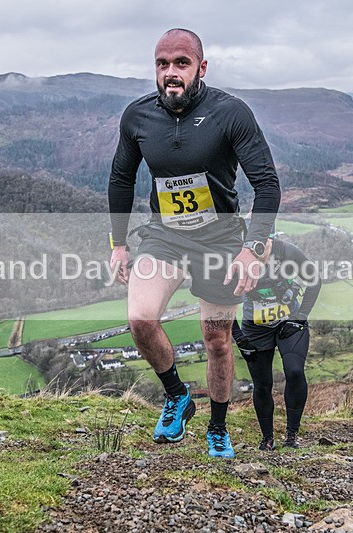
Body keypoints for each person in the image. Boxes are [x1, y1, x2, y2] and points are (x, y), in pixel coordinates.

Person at [108, 28, 280, 458]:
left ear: (201, 68)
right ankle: (177, 395)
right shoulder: (137, 117)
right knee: (141, 318)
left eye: (181, 63)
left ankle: (217, 427)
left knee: (217, 339)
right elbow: (121, 179)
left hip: (220, 239)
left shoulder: (230, 113)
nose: (171, 72)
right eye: (162, 64)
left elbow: (267, 185)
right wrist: (118, 244)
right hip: (164, 236)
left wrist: (252, 247)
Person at [231, 233, 321, 450]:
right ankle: (267, 439)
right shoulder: (236, 257)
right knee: (262, 385)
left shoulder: (286, 251)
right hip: (255, 328)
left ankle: (292, 436)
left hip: (289, 321)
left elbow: (314, 280)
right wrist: (238, 336)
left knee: (295, 372)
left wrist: (300, 317)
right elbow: (219, 300)